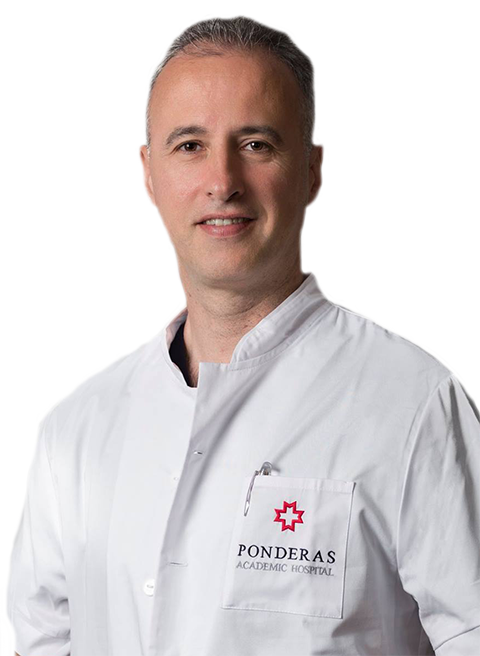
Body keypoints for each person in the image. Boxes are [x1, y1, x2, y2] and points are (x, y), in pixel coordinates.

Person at [3, 13, 480, 656]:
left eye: (256, 144)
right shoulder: (76, 430)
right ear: (148, 175)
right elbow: (38, 642)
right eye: (189, 146)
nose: (222, 182)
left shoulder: (416, 407)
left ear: (312, 172)